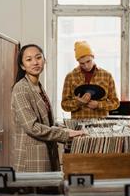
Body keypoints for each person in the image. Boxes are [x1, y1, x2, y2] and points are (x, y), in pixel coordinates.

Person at [11, 44, 85, 172]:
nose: (35, 62)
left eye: (38, 57)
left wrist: (66, 129)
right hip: (31, 157)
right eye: (29, 59)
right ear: (22, 66)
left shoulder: (38, 86)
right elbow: (32, 127)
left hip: (45, 152)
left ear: (44, 60)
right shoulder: (21, 88)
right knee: (37, 192)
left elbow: (46, 122)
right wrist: (65, 134)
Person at [61, 41, 120, 119]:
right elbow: (64, 105)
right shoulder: (70, 77)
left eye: (88, 61)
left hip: (101, 127)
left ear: (93, 57)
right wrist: (78, 103)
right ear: (78, 61)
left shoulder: (107, 76)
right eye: (82, 63)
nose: (86, 66)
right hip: (78, 127)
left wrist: (98, 105)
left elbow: (115, 103)